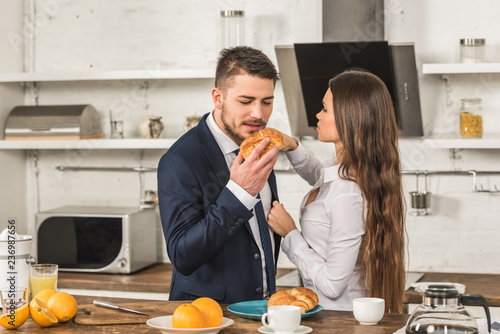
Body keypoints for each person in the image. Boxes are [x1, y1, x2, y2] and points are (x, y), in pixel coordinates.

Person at [267, 69, 406, 313]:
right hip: (328, 317)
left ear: (350, 118)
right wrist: (291, 145)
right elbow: (319, 176)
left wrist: (290, 234)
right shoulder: (345, 170)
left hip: (340, 320)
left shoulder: (348, 194)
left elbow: (332, 285)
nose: (317, 115)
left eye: (325, 109)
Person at [157, 46, 281, 304]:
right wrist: (239, 193)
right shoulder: (180, 159)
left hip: (264, 312)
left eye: (267, 102)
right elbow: (182, 255)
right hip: (207, 317)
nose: (258, 114)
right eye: (246, 101)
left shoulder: (257, 144)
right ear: (218, 98)